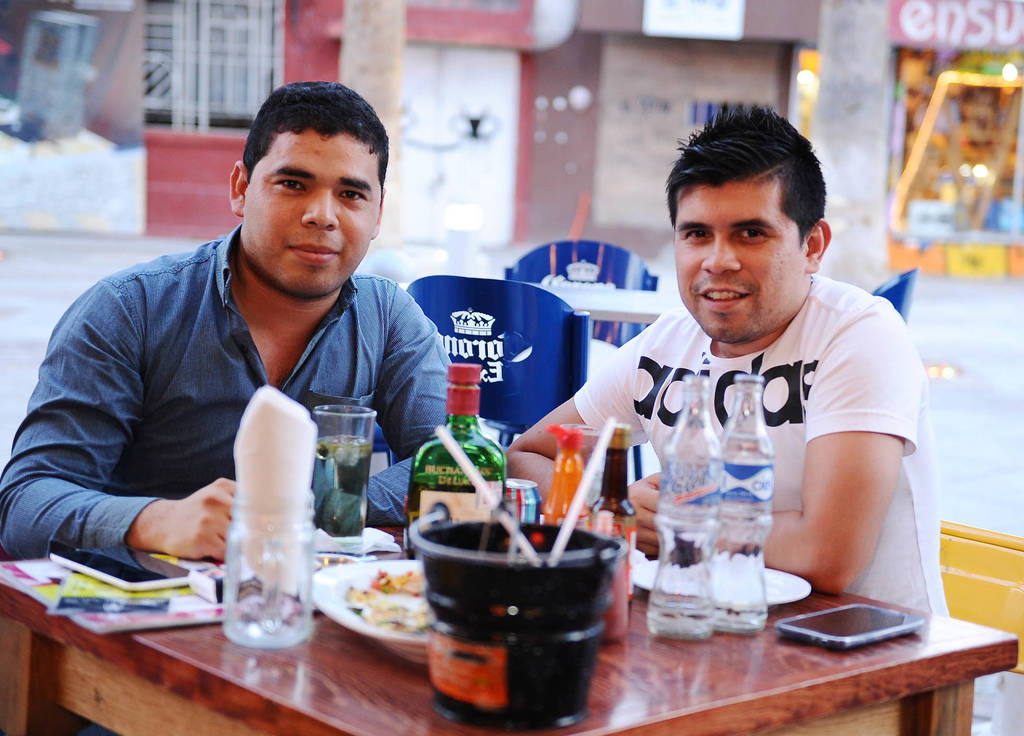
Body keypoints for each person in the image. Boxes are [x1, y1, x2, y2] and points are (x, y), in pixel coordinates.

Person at [508, 106, 946, 613]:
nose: (717, 260)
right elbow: (528, 457)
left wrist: (676, 521)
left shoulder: (860, 335)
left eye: (751, 233)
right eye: (696, 234)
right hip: (702, 630)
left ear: (812, 246)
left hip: (864, 645)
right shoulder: (666, 343)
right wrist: (617, 508)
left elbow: (828, 556)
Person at [0, 82, 449, 561]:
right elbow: (26, 502)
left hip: (322, 596)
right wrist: (155, 522)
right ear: (240, 188)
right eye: (293, 184)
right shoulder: (130, 310)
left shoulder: (390, 319)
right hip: (148, 596)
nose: (322, 215)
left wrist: (311, 510)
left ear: (377, 214)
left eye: (351, 194)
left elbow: (454, 464)